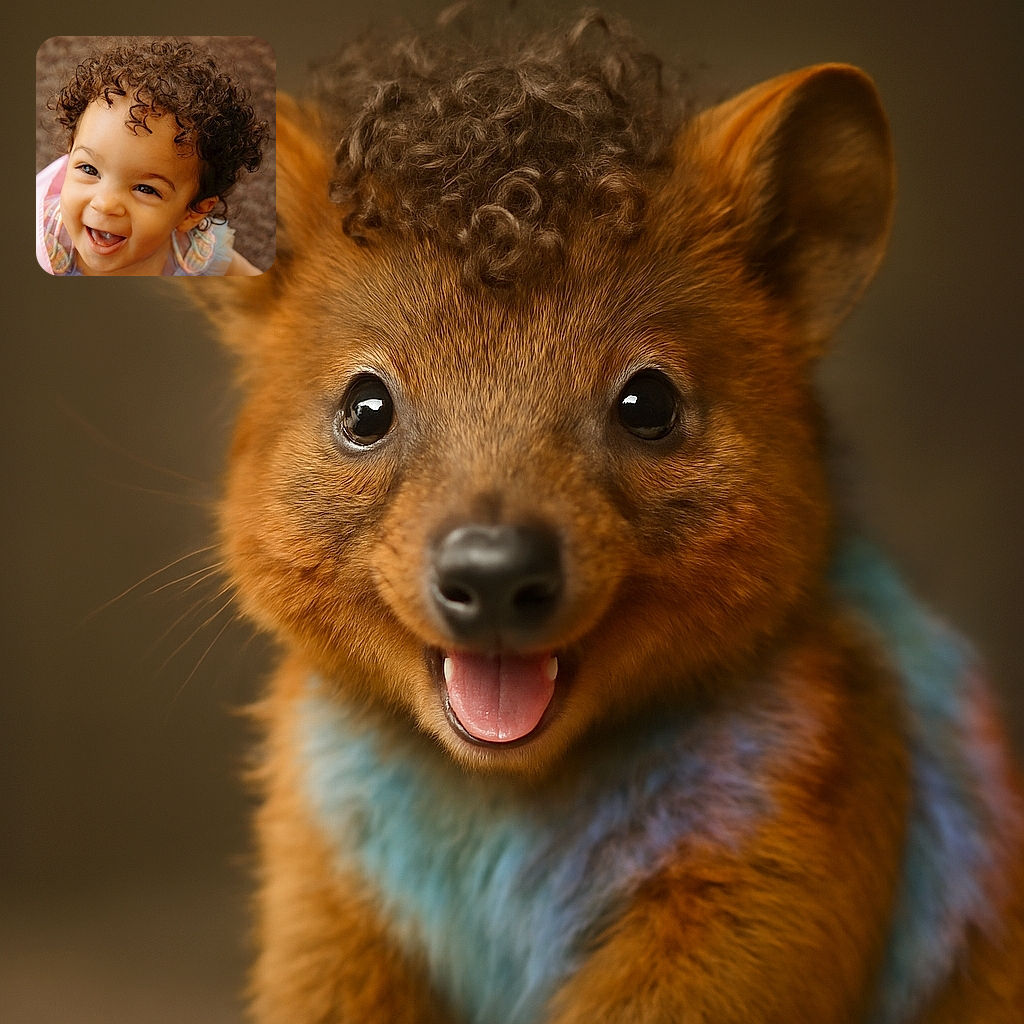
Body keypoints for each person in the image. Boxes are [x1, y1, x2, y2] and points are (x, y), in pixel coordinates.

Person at [37, 39, 268, 276]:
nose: (105, 204)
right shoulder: (41, 246)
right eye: (88, 169)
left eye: (145, 189)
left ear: (193, 213)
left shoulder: (193, 251)